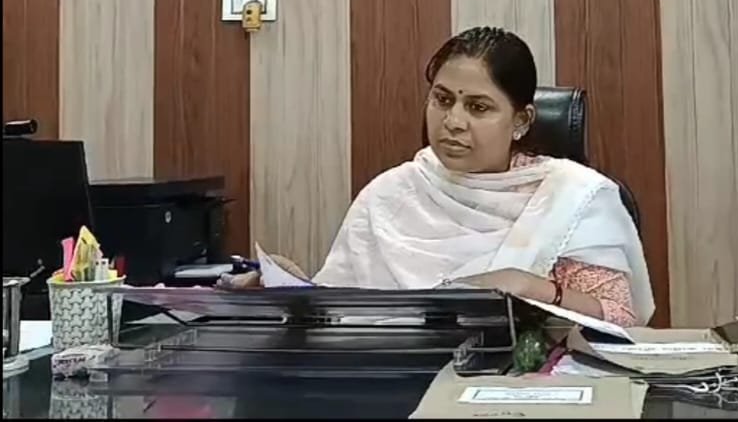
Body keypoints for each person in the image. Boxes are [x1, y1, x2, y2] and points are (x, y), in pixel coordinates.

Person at [223, 26, 653, 327]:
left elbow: (621, 318)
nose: (453, 122)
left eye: (478, 107)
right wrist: (289, 289)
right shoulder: (391, 194)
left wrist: (530, 287)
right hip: (392, 383)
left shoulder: (570, 196)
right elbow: (342, 314)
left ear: (521, 121)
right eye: (442, 100)